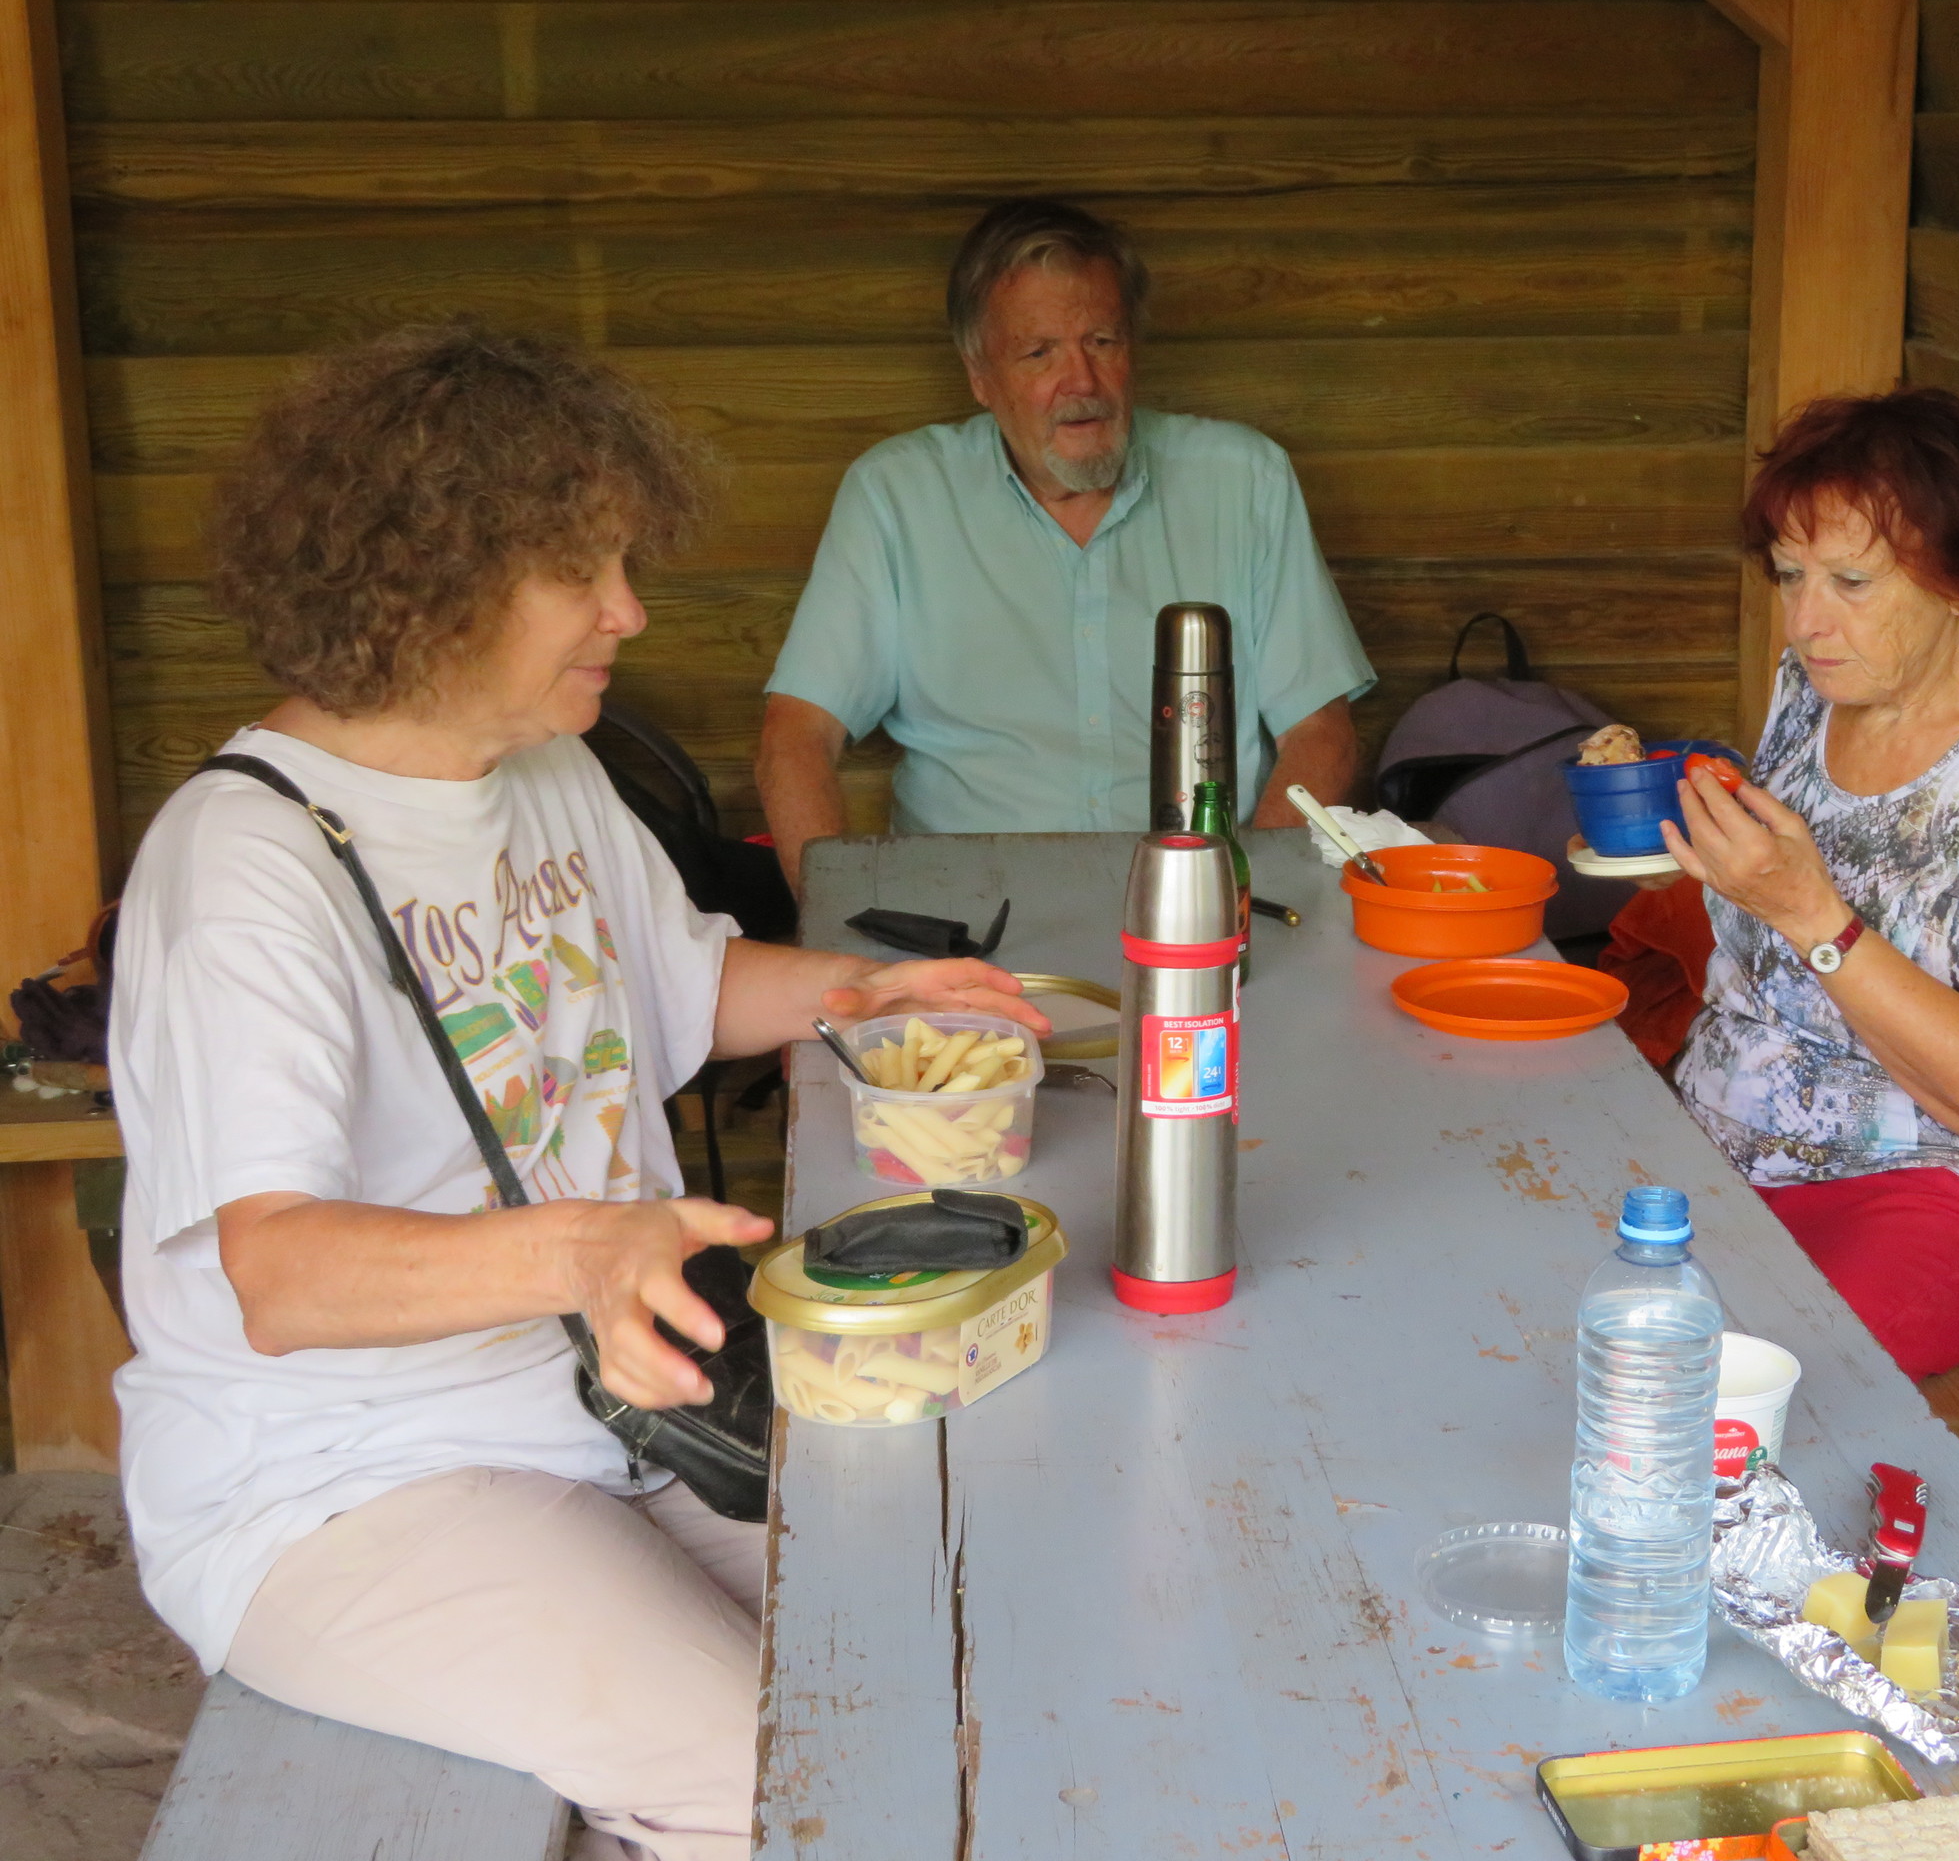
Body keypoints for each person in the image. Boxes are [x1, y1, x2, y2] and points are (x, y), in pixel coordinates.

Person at [110, 324, 1051, 1860]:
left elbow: (681, 985)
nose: (630, 608)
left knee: (969, 1648)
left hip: (612, 1411)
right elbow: (277, 1274)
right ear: (433, 579)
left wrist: (857, 995)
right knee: (781, 1795)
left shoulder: (547, 768)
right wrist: (587, 1248)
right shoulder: (246, 867)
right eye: (581, 571)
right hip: (349, 1485)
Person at [1660, 388, 1959, 1379]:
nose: (1806, 622)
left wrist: (1811, 915)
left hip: (1929, 1184)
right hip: (1714, 1141)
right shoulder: (1814, 684)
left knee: (1727, 1391)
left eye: (1853, 581)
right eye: (1791, 575)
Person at [757, 197, 1375, 887]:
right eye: (1038, 352)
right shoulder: (895, 495)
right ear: (979, 375)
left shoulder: (1244, 479)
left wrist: (1238, 897)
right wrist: (839, 928)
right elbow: (796, 738)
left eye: (1102, 342)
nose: (1080, 382)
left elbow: (1320, 736)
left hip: (1198, 905)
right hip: (963, 913)